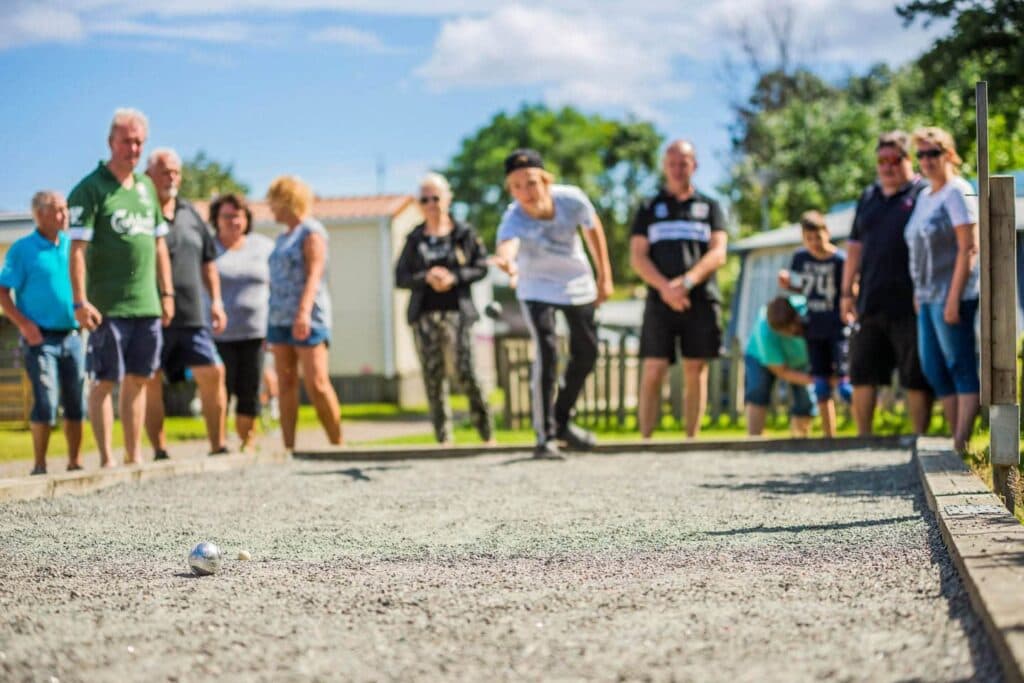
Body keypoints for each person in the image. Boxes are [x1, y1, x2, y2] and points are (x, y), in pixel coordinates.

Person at [68, 108, 174, 467]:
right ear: (111, 142)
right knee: (104, 381)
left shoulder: (146, 187)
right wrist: (80, 300)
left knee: (139, 379)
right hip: (106, 305)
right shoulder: (89, 189)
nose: (133, 148)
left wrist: (167, 293)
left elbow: (160, 245)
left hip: (146, 304)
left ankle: (134, 455)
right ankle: (107, 459)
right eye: (127, 141)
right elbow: (77, 250)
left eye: (139, 142)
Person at [493, 149, 614, 459]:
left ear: (545, 180)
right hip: (535, 286)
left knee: (587, 352)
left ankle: (561, 420)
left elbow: (593, 230)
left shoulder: (571, 200)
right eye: (517, 186)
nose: (525, 193)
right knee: (547, 353)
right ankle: (544, 436)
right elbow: (507, 246)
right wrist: (506, 262)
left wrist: (605, 276)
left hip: (575, 282)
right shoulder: (513, 217)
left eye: (531, 183)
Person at [630, 140, 728, 439]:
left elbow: (718, 252)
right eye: (672, 162)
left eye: (683, 162)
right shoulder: (648, 208)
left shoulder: (709, 206)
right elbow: (637, 256)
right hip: (660, 300)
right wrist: (666, 288)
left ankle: (691, 438)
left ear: (694, 165)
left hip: (699, 297)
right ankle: (645, 439)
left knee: (695, 368)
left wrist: (686, 283)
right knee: (653, 369)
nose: (677, 168)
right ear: (664, 166)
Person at [839, 131, 933, 436]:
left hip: (911, 302)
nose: (887, 167)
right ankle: (863, 439)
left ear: (908, 160)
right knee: (862, 371)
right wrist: (845, 292)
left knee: (915, 374)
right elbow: (854, 248)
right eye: (881, 161)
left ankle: (919, 439)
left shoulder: (922, 194)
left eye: (894, 160)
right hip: (870, 301)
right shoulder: (868, 197)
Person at [395, 173, 494, 445]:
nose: (431, 204)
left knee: (466, 372)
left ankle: (486, 433)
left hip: (457, 313)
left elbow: (481, 266)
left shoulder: (464, 234)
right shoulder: (414, 239)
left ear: (447, 199)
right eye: (424, 199)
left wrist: (454, 277)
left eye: (435, 198)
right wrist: (426, 277)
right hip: (424, 315)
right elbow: (400, 277)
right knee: (433, 375)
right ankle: (443, 439)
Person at [144, 148, 228, 459]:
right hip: (152, 314)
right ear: (149, 175)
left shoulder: (191, 214)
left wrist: (217, 302)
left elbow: (209, 262)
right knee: (150, 379)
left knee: (213, 372)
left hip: (194, 314)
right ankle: (159, 450)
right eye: (165, 171)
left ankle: (218, 445)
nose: (172, 178)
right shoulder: (140, 211)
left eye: (176, 172)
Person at [0, 191, 85, 475]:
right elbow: (3, 290)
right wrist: (24, 324)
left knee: (76, 400)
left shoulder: (72, 247)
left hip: (72, 336)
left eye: (66, 209)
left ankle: (75, 462)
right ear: (40, 214)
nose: (65, 215)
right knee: (46, 400)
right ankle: (40, 465)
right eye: (59, 210)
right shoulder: (22, 249)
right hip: (40, 339)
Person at [905, 127, 979, 452]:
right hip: (926, 295)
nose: (926, 160)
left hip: (953, 296)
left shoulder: (958, 191)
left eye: (933, 153)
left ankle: (961, 443)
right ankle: (955, 439)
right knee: (933, 369)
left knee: (959, 365)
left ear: (949, 154)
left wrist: (953, 298)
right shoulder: (923, 196)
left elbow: (969, 248)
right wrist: (917, 291)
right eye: (920, 154)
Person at [266, 175, 342, 450]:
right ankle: (289, 448)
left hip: (307, 318)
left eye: (272, 200)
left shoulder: (311, 231)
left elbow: (315, 274)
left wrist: (303, 312)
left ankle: (338, 444)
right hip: (278, 319)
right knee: (285, 384)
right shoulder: (281, 238)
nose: (269, 206)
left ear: (287, 200)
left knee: (317, 382)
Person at [210, 193, 274, 452]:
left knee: (250, 389)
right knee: (220, 389)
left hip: (255, 332)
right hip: (218, 333)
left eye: (239, 216)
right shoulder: (209, 247)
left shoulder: (262, 246)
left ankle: (248, 443)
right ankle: (220, 442)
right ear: (216, 220)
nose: (234, 221)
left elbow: (276, 286)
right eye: (227, 216)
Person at [778, 210, 851, 437]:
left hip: (837, 327)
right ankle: (830, 436)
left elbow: (850, 290)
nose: (814, 244)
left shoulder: (840, 260)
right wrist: (788, 284)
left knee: (845, 386)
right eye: (808, 239)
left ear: (827, 233)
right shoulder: (800, 258)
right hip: (814, 328)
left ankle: (863, 432)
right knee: (820, 386)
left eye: (817, 238)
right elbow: (802, 289)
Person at [744, 296, 816, 436]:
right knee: (758, 392)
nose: (791, 335)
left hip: (801, 360)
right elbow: (782, 372)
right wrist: (816, 380)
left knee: (805, 400)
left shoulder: (807, 309)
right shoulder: (765, 331)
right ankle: (754, 440)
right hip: (761, 358)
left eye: (794, 331)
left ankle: (800, 440)